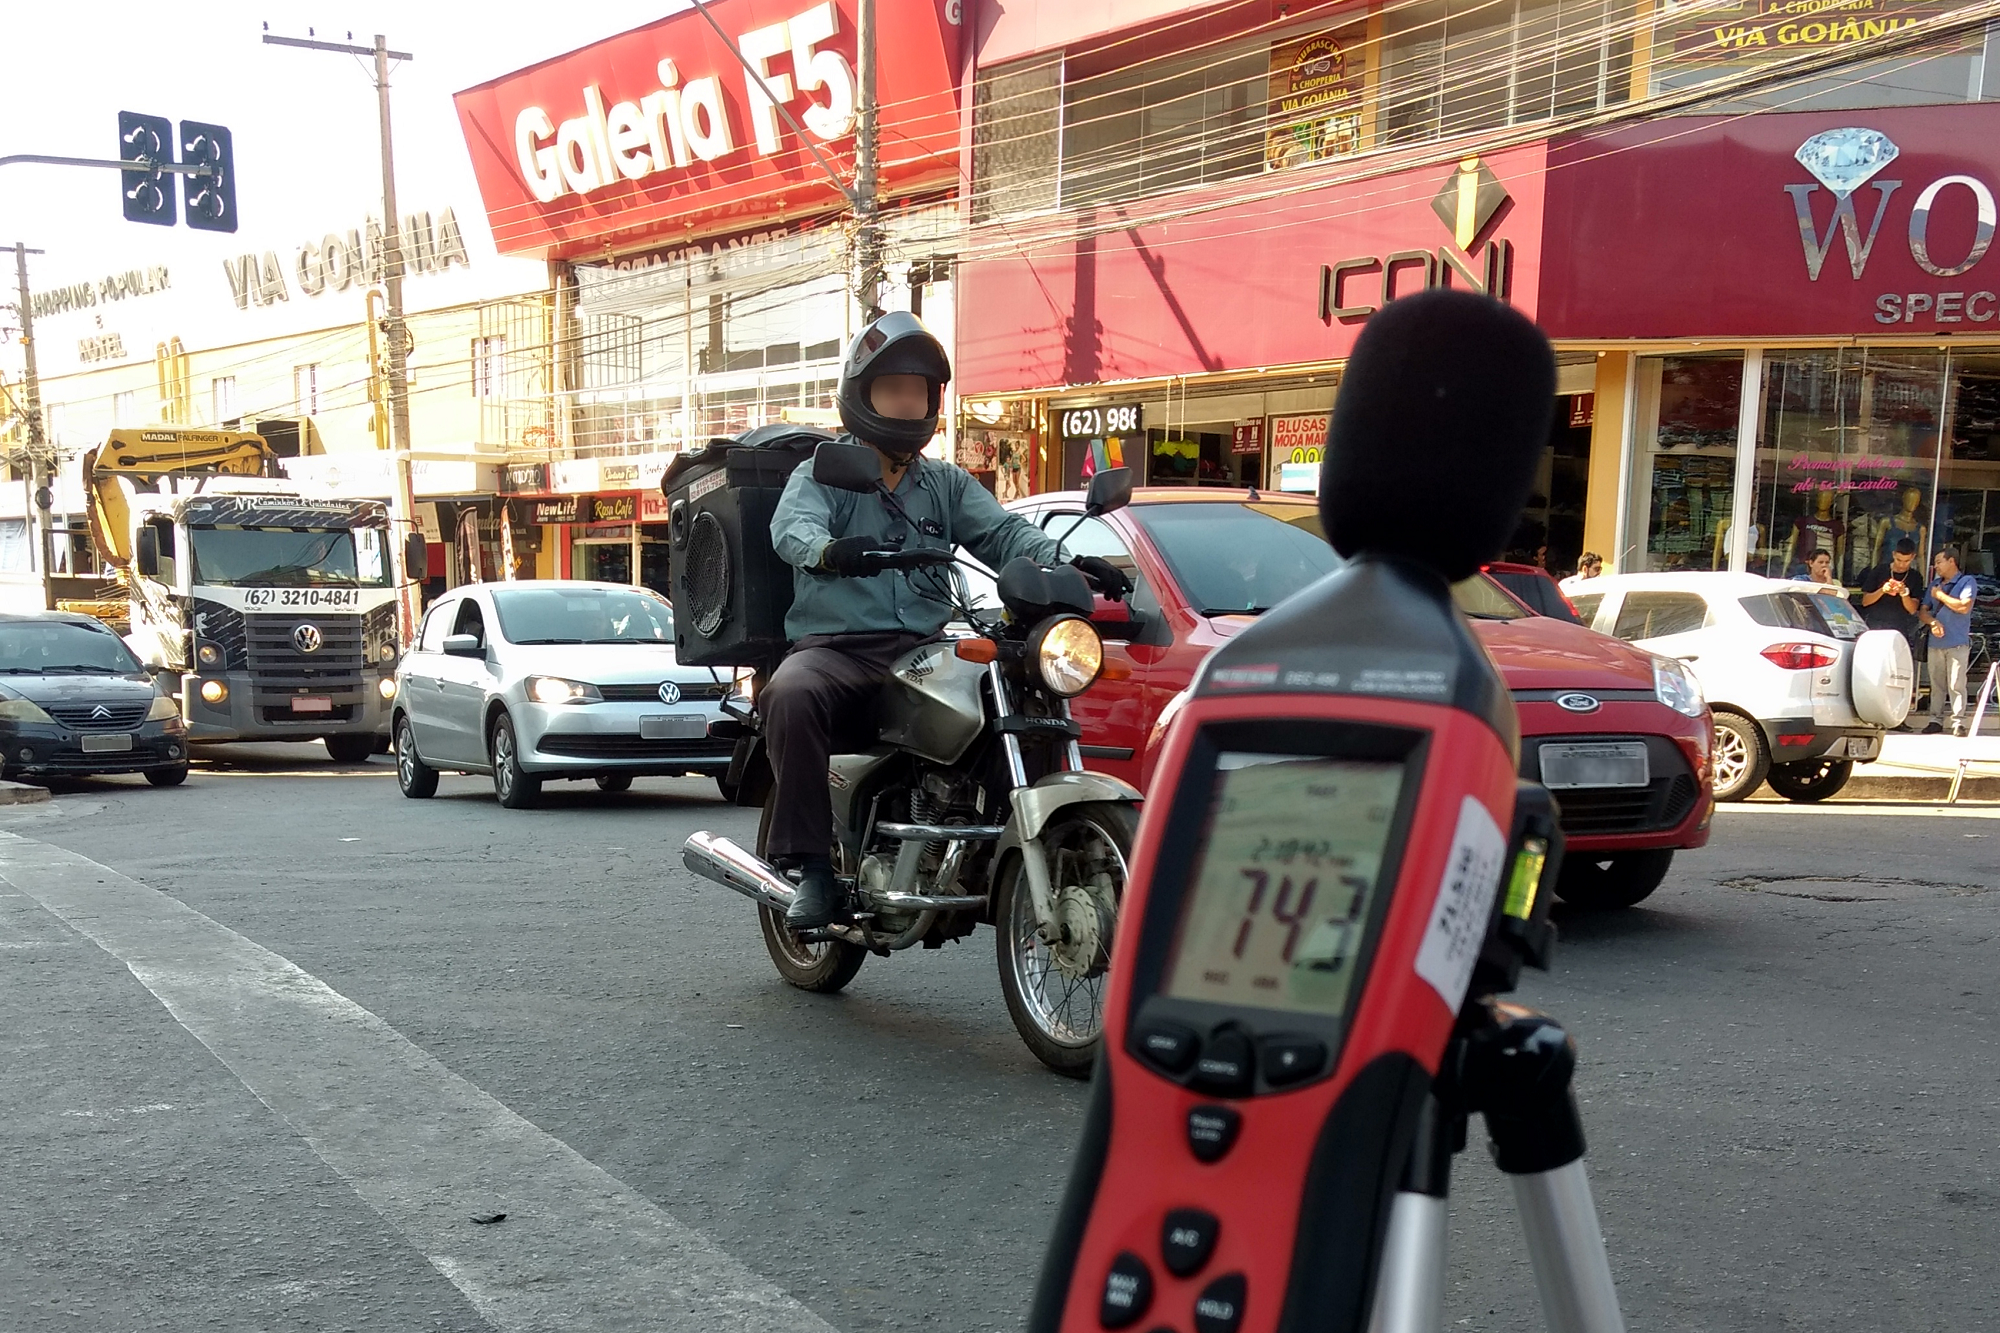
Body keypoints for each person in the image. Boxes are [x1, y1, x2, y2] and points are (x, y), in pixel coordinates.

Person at [761, 312, 1131, 929]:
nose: (907, 403)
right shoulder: (825, 470)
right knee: (790, 694)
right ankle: (812, 869)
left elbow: (1005, 532)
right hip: (839, 650)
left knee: (1015, 689)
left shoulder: (944, 483)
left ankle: (984, 847)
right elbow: (790, 528)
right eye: (893, 389)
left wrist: (1074, 559)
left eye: (918, 392)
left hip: (925, 650)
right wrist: (827, 550)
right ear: (863, 394)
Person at [1919, 544, 1979, 735]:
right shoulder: (1934, 585)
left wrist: (1941, 596)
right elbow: (1923, 611)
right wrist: (1932, 622)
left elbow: (1963, 607)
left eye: (1939, 562)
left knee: (1956, 684)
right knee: (1936, 684)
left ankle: (1957, 722)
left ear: (1951, 561)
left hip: (1957, 642)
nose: (1936, 566)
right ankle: (1934, 720)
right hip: (1935, 642)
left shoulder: (1967, 581)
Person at [1856, 538, 1921, 649]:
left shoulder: (1915, 577)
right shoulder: (1879, 570)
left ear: (1913, 557)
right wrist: (1882, 590)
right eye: (1898, 560)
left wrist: (1904, 593)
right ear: (1893, 554)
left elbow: (1913, 609)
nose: (1902, 565)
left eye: (1906, 561)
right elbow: (1865, 601)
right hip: (1875, 625)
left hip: (1899, 629)